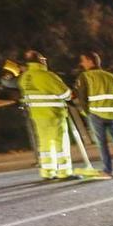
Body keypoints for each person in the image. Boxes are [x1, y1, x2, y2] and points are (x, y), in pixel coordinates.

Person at [18, 50, 73, 180]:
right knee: (60, 143)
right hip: (53, 114)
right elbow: (66, 94)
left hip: (37, 115)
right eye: (44, 59)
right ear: (41, 61)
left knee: (44, 144)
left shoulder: (24, 78)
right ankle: (64, 172)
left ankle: (47, 171)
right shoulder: (47, 76)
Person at [75, 51, 113, 177]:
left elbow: (82, 97)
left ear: (91, 61)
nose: (82, 63)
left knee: (102, 144)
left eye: (83, 60)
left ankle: (107, 170)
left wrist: (86, 113)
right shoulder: (111, 76)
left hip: (96, 113)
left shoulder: (85, 76)